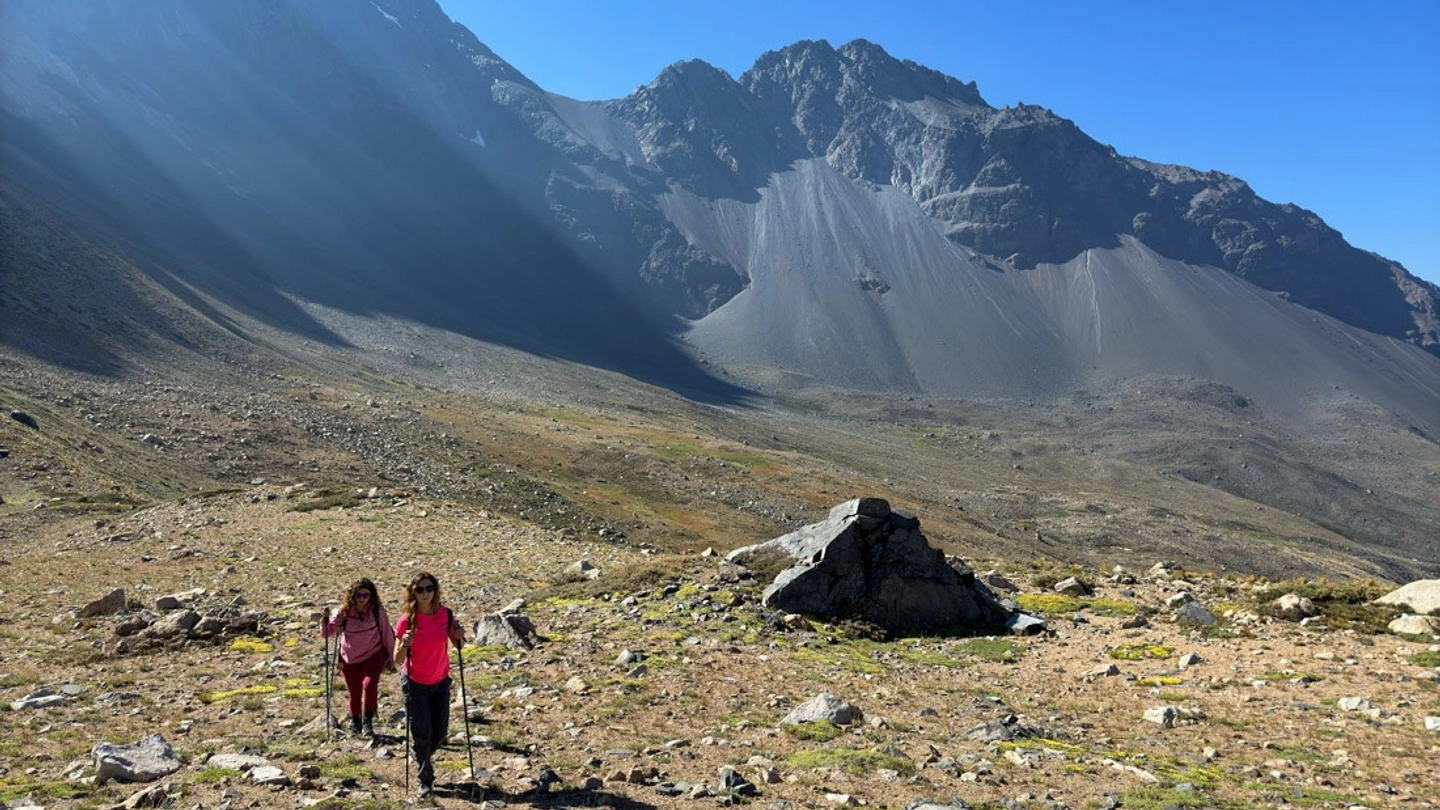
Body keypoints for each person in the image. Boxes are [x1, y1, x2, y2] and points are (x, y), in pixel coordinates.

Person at [394, 572, 466, 798]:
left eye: (429, 588)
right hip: (415, 683)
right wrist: (405, 645)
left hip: (440, 681)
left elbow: (458, 645)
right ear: (413, 593)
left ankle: (421, 755)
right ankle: (424, 780)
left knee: (440, 733)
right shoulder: (407, 620)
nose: (425, 593)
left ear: (435, 590)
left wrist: (459, 636)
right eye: (420, 589)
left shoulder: (446, 614)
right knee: (422, 733)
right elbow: (397, 659)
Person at [321, 577, 396, 736]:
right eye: (358, 595)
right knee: (354, 692)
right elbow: (328, 633)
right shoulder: (343, 612)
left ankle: (368, 721)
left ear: (371, 595)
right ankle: (356, 722)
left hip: (374, 653)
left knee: (369, 685)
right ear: (352, 595)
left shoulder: (377, 611)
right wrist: (325, 620)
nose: (362, 598)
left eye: (366, 595)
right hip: (350, 657)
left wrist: (391, 656)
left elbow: (387, 634)